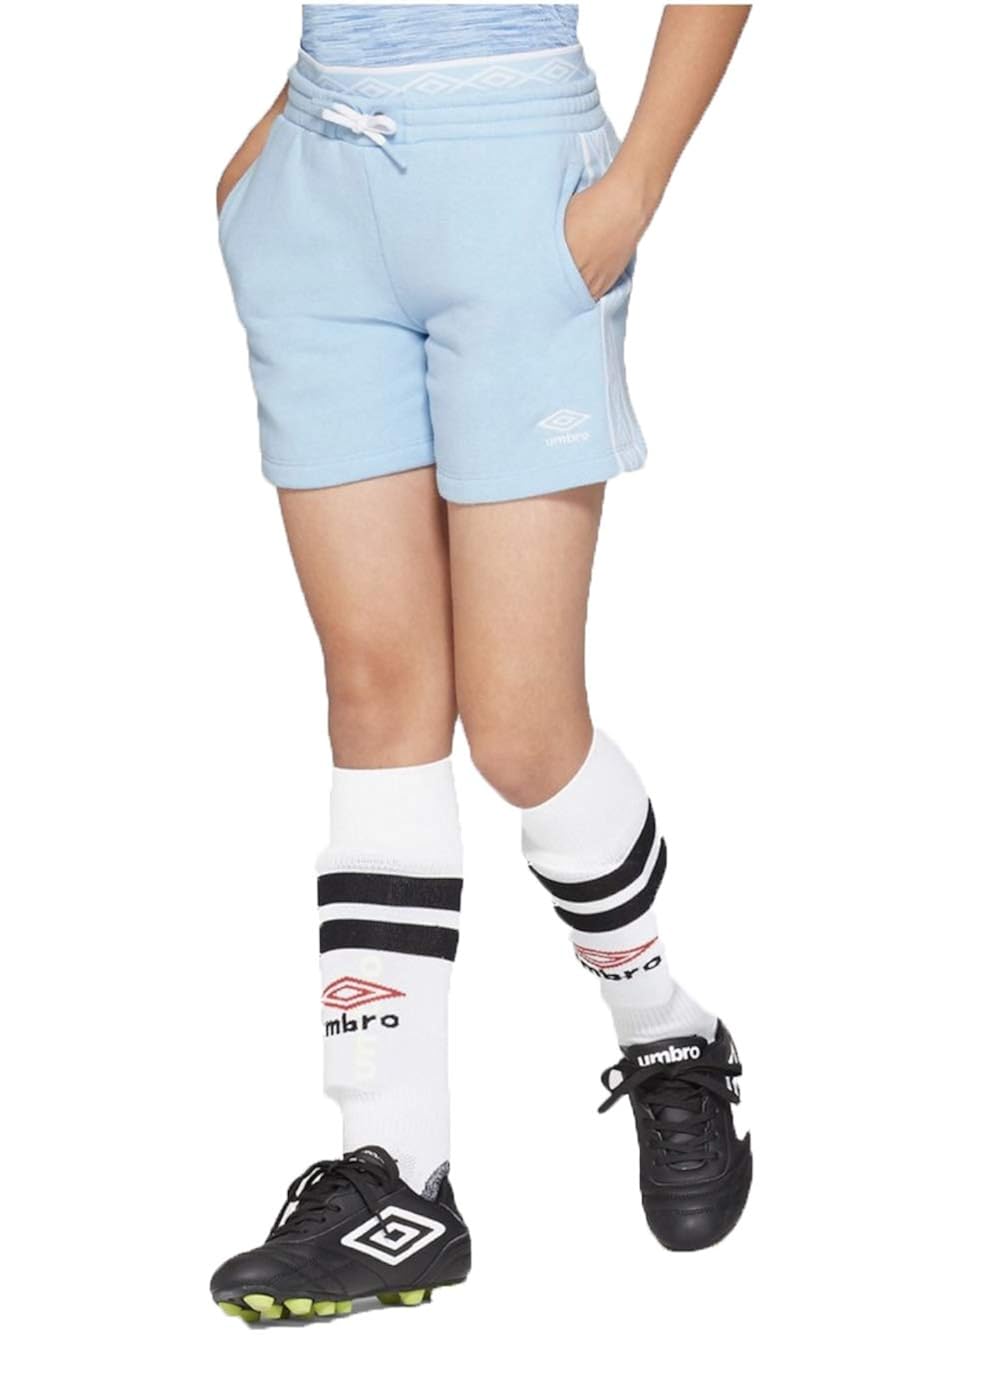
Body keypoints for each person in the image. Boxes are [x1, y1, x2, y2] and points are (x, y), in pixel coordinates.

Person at [211, 3, 752, 1324]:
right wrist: (263, 163)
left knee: (519, 729)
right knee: (376, 699)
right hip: (317, 193)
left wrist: (632, 192)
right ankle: (395, 1175)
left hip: (521, 186)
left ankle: (664, 1027)